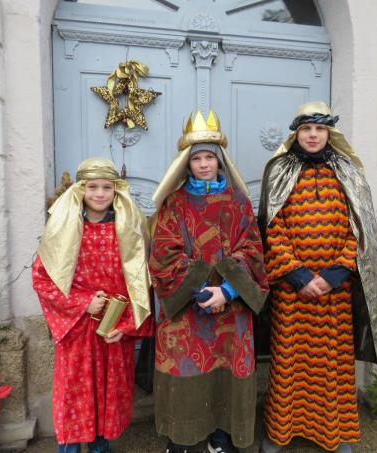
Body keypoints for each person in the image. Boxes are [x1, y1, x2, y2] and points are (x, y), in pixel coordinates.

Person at [257, 102, 377, 453]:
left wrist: (335, 273)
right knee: (289, 364)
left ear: (329, 132)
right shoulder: (279, 171)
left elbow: (358, 227)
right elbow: (273, 227)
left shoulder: (347, 170)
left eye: (319, 129)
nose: (313, 135)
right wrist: (298, 274)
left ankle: (332, 433)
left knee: (332, 365)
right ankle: (280, 432)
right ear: (296, 133)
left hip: (335, 289)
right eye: (306, 129)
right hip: (293, 288)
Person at [149, 111, 269, 453]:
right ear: (187, 163)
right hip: (188, 308)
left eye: (209, 158)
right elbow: (163, 253)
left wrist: (227, 291)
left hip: (232, 310)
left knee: (227, 371)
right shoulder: (175, 204)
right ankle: (182, 437)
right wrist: (201, 290)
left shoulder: (239, 203)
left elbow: (253, 251)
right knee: (186, 369)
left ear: (220, 162)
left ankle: (221, 436)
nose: (204, 164)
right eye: (197, 158)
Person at [32, 157, 153, 453]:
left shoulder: (129, 231)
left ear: (116, 191)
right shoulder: (64, 230)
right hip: (77, 333)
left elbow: (140, 285)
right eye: (92, 187)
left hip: (112, 332)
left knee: (108, 400)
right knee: (75, 398)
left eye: (107, 187)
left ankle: (101, 449)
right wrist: (82, 304)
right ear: (81, 190)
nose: (99, 194)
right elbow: (43, 280)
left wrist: (125, 327)